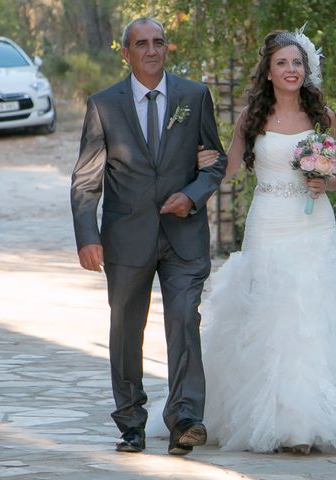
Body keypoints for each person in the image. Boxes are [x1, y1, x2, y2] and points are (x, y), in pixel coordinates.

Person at [195, 29, 336, 454]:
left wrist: (323, 180)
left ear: (304, 69)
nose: (291, 70)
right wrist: (203, 160)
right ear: (269, 72)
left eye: (297, 63)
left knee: (312, 317)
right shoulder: (251, 117)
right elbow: (231, 168)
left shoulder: (321, 115)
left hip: (312, 225)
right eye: (282, 63)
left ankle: (304, 425)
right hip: (268, 222)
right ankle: (270, 418)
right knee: (270, 315)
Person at [70, 17, 226, 456]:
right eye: (142, 44)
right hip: (125, 238)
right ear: (127, 53)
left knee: (183, 319)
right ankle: (131, 423)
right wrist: (87, 234)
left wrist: (192, 196)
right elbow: (86, 179)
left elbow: (214, 162)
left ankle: (186, 419)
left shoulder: (194, 97)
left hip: (184, 236)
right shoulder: (104, 105)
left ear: (166, 48)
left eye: (158, 42)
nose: (151, 50)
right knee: (125, 329)